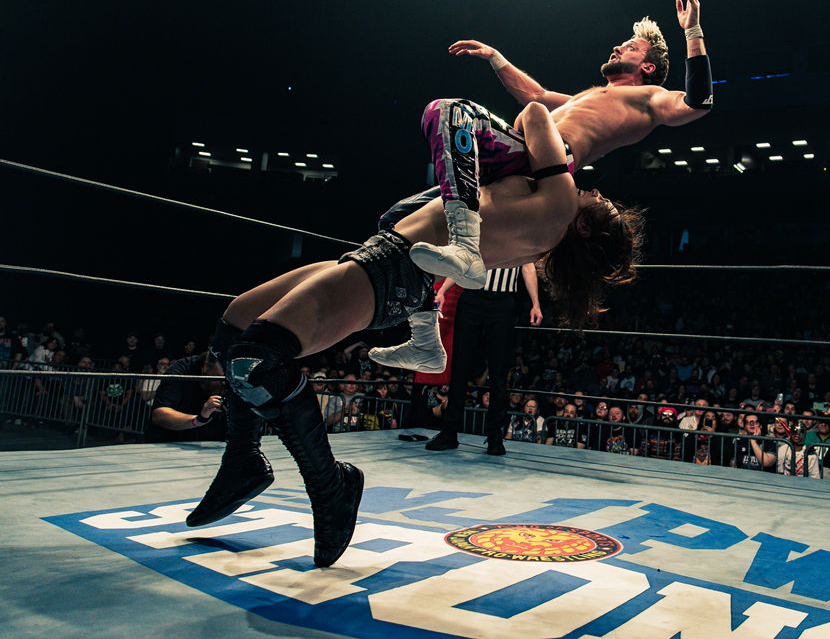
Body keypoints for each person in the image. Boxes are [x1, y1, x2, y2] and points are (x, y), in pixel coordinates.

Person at [186, 103, 643, 568]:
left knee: (257, 357)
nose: (596, 190)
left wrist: (536, 151)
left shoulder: (559, 202)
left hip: (393, 269)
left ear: (584, 226)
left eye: (600, 202)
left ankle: (330, 485)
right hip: (391, 261)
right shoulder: (541, 232)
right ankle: (241, 459)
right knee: (235, 323)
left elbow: (535, 112)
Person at [378, 0, 710, 295]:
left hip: (547, 159)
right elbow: (535, 94)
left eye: (631, 47)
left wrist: (692, 30)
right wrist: (496, 57)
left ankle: (464, 247)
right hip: (522, 151)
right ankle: (421, 309)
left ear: (648, 68)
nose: (618, 47)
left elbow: (697, 103)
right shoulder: (591, 97)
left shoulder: (650, 97)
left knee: (451, 114)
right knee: (397, 218)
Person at [415, 263, 542, 457]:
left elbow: (528, 268)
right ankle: (449, 432)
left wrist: (536, 303)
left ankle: (495, 437)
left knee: (499, 372)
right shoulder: (481, 240)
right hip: (472, 297)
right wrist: (443, 290)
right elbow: (463, 262)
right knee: (460, 367)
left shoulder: (520, 244)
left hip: (503, 303)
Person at [142, 353, 229, 443]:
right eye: (220, 378)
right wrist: (199, 420)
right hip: (169, 441)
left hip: (210, 443)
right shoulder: (182, 369)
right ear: (205, 367)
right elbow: (159, 414)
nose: (224, 384)